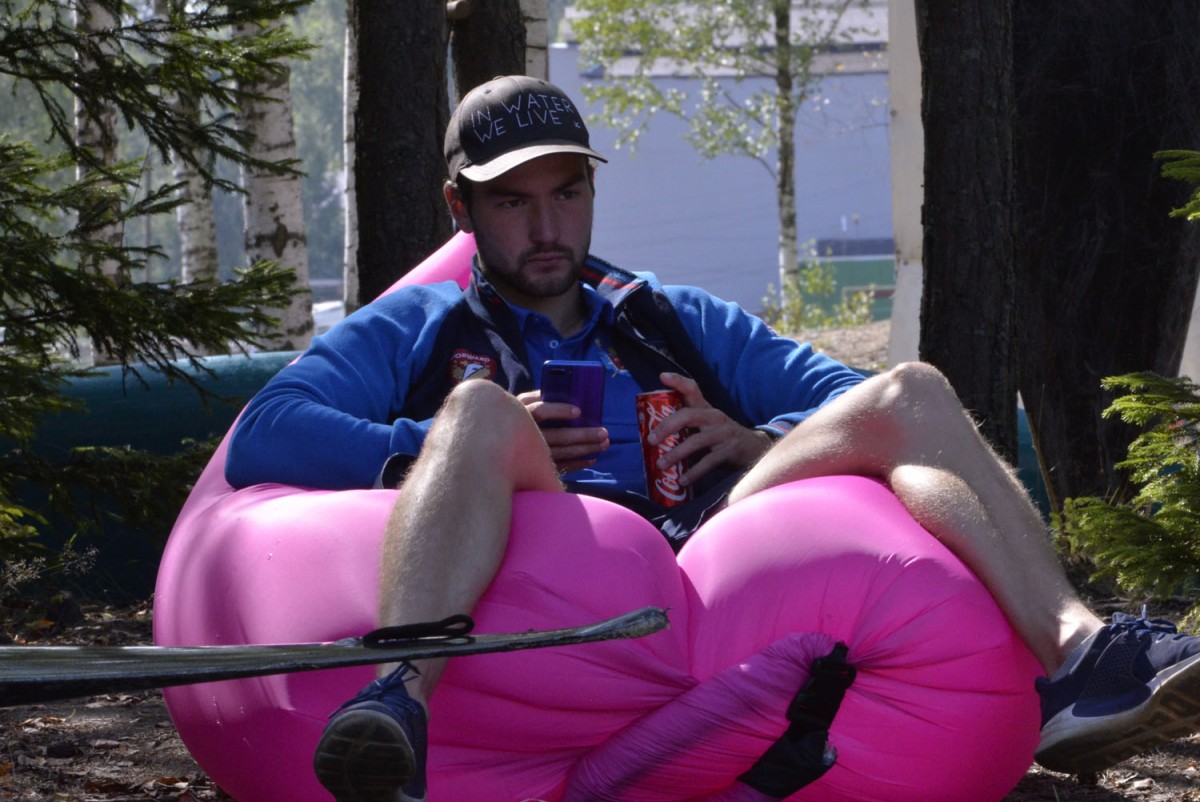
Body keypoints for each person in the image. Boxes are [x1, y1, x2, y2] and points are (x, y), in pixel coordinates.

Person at [225, 75, 1200, 802]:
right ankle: (399, 696)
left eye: (567, 192)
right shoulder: (421, 326)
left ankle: (1081, 654)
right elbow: (267, 432)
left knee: (912, 389)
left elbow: (848, 395)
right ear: (462, 207)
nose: (548, 225)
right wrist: (439, 447)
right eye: (514, 201)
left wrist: (748, 436)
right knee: (480, 409)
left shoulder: (664, 315)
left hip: (705, 563)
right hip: (551, 551)